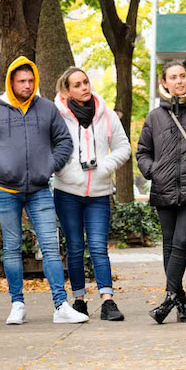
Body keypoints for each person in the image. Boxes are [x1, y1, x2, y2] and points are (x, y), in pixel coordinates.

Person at [0, 57, 87, 325]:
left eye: (31, 80)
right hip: (5, 189)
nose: (27, 85)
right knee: (12, 247)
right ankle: (17, 304)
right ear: (11, 82)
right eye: (22, 80)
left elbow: (64, 142)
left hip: (39, 190)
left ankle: (60, 305)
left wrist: (49, 166)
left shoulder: (46, 109)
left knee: (50, 247)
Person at [136, 60, 186, 324]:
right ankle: (180, 304)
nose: (180, 81)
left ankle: (169, 296)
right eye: (174, 77)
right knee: (169, 247)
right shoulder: (155, 117)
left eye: (183, 76)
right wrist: (153, 170)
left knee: (181, 243)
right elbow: (142, 152)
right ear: (164, 83)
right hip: (164, 191)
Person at [52, 67, 131, 321]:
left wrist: (106, 166)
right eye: (77, 84)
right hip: (67, 192)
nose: (84, 87)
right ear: (67, 90)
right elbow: (49, 147)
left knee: (98, 247)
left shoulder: (106, 114)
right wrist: (65, 169)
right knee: (75, 247)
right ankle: (79, 300)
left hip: (99, 192)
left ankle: (108, 301)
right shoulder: (57, 116)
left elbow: (124, 147)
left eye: (85, 82)